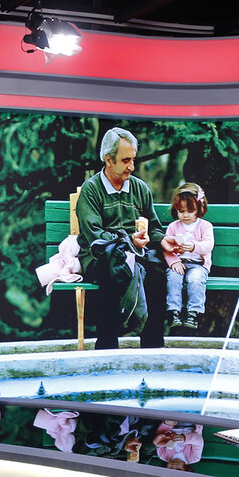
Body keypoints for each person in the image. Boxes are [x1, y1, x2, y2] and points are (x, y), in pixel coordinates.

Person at [75, 127, 173, 349]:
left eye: (133, 160)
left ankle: (153, 347)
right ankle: (107, 346)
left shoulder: (139, 188)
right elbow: (95, 236)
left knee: (157, 271)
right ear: (108, 160)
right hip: (101, 255)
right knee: (114, 269)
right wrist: (129, 241)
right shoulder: (91, 190)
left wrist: (163, 240)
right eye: (126, 160)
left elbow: (154, 227)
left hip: (137, 252)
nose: (132, 166)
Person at [162, 182, 214, 331]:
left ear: (199, 209)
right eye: (181, 211)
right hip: (179, 263)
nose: (185, 215)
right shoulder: (173, 226)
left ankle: (193, 313)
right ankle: (173, 311)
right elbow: (166, 248)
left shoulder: (205, 226)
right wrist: (174, 262)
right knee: (173, 277)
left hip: (198, 265)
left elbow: (208, 244)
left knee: (195, 279)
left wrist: (194, 246)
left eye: (190, 211)